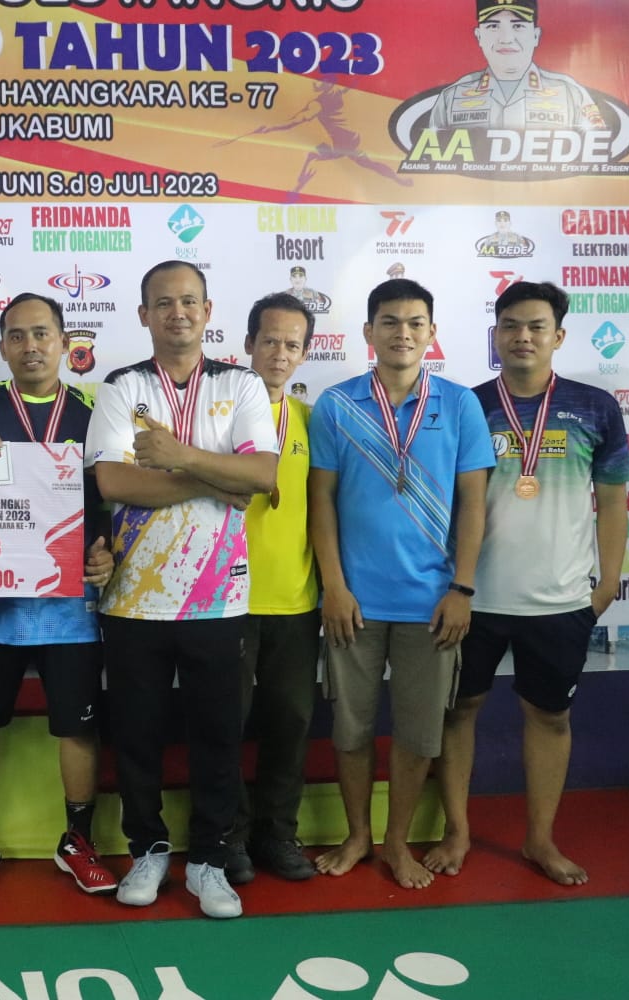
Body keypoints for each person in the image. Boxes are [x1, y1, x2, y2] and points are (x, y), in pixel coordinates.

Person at [84, 261, 278, 919]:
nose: (178, 313)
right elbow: (115, 482)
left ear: (208, 310)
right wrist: (216, 479)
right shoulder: (122, 387)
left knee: (217, 738)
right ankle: (147, 849)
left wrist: (179, 456)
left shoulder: (241, 384)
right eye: (163, 303)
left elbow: (263, 474)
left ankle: (209, 862)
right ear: (144, 315)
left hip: (218, 599)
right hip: (133, 599)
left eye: (189, 301)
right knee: (136, 737)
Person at [423, 281, 629, 887]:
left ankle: (540, 839)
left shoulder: (596, 407)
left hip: (560, 599)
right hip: (473, 597)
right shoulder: (467, 405)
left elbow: (613, 501)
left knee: (550, 717)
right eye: (511, 325)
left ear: (558, 336)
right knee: (458, 712)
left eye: (536, 326)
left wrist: (606, 583)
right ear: (495, 335)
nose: (523, 336)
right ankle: (457, 831)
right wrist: (454, 585)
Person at [308, 279, 494, 890]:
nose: (403, 333)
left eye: (416, 323)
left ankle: (395, 842)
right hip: (353, 604)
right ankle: (358, 834)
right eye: (389, 321)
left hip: (432, 604)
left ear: (432, 333)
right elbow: (321, 500)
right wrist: (334, 586)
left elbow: (474, 503)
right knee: (351, 730)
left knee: (418, 733)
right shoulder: (337, 405)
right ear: (368, 331)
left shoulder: (460, 405)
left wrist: (462, 589)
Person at [0, 293, 117, 896]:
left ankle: (78, 841)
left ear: (65, 341)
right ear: (1, 347)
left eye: (41, 333)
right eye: (16, 336)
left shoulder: (94, 412)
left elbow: (112, 498)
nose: (30, 346)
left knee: (78, 728)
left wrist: (109, 552)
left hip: (71, 607)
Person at [224, 293, 320, 885]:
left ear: (305, 353)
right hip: (224, 599)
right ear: (248, 345)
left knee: (290, 723)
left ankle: (278, 834)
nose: (279, 354)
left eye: (292, 344)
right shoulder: (218, 417)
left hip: (296, 600)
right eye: (269, 341)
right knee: (225, 726)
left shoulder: (313, 420)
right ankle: (229, 836)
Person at [428, 1, 606, 133]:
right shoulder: (452, 97)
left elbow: (595, 157)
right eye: (493, 26)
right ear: (479, 36)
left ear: (536, 35)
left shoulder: (570, 93)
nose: (506, 39)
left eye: (518, 26)